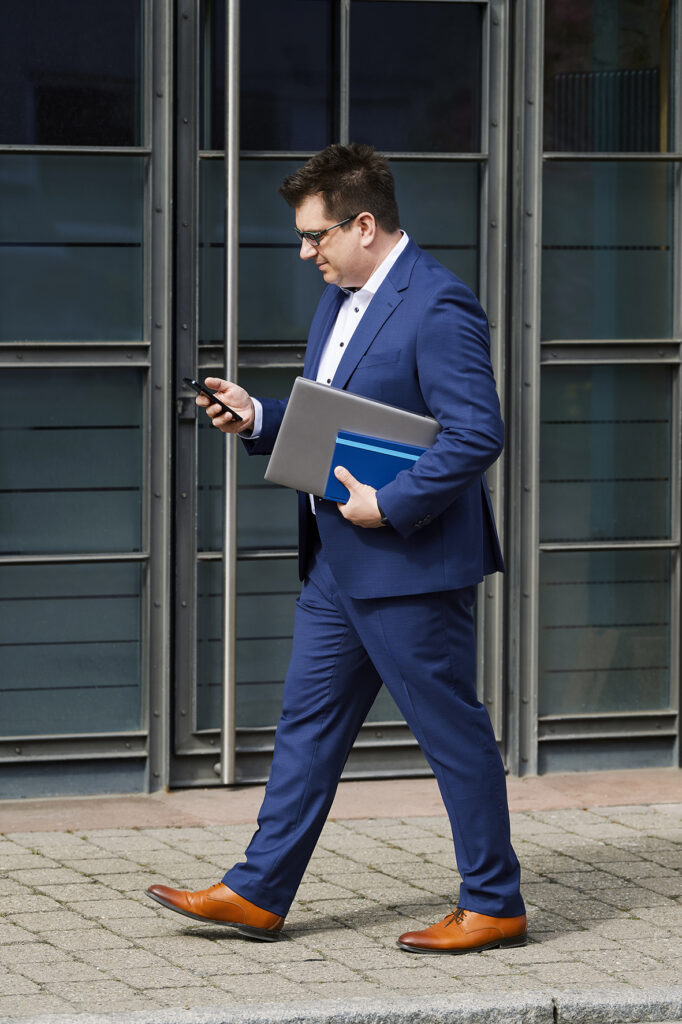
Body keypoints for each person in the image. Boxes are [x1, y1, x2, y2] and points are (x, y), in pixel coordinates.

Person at [147, 143, 526, 954]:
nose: (304, 251)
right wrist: (260, 418)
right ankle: (257, 892)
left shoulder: (439, 305)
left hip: (409, 565)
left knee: (451, 734)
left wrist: (390, 504)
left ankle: (494, 902)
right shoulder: (341, 296)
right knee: (306, 730)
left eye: (315, 235)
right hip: (335, 564)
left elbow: (477, 433)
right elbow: (342, 420)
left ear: (363, 223)